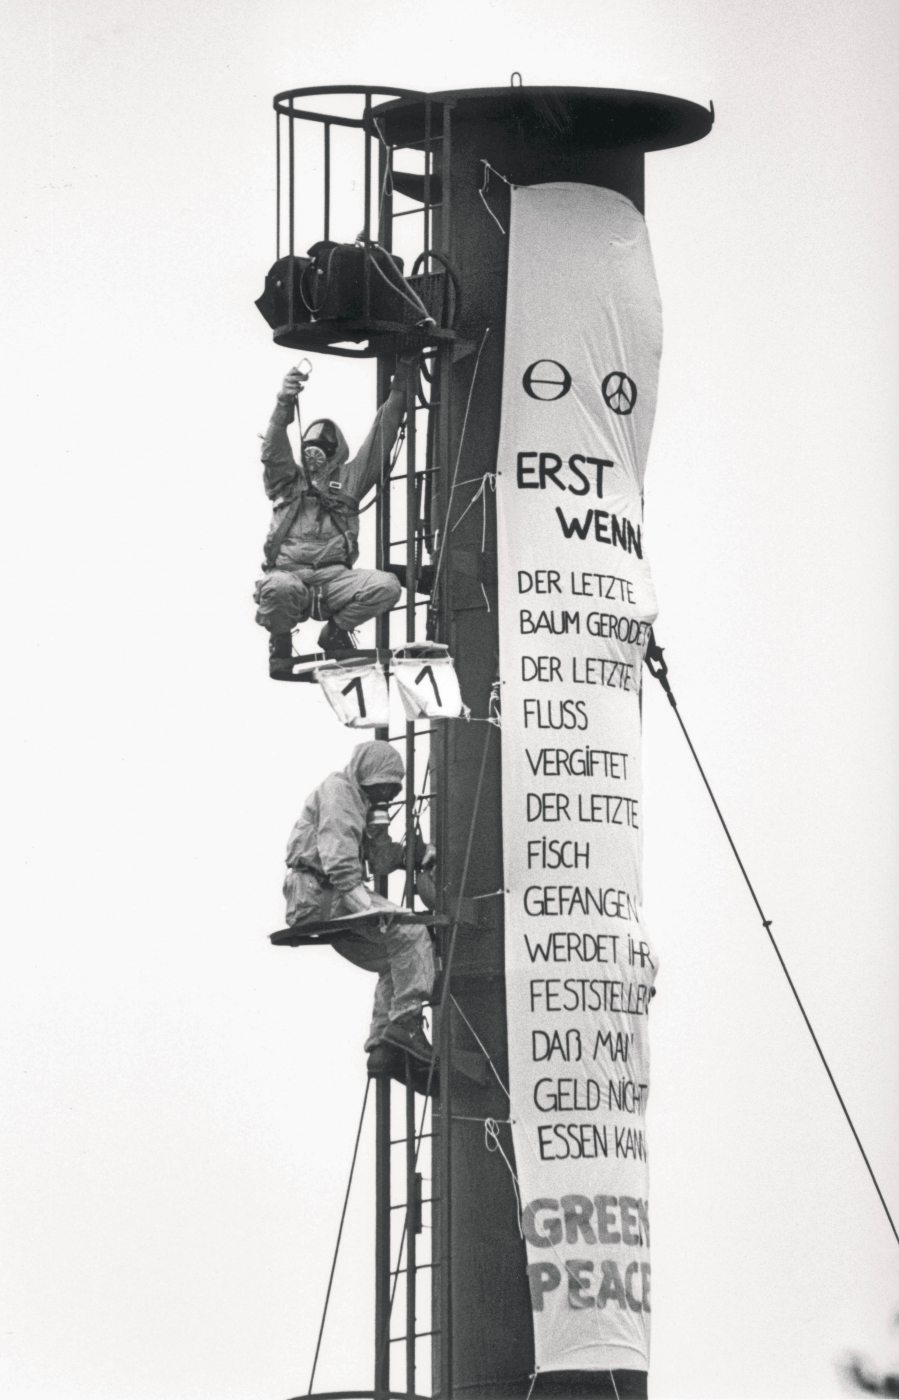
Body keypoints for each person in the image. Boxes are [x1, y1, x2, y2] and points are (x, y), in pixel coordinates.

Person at [254, 356, 418, 673]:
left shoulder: (347, 481)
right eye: (310, 448)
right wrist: (284, 402)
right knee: (278, 589)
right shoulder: (287, 481)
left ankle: (337, 632)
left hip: (335, 580)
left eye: (323, 449)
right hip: (290, 576)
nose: (315, 454)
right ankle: (281, 641)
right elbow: (273, 451)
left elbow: (379, 439)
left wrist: (400, 389)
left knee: (386, 586)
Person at [283, 740, 436, 1063]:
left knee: (395, 959)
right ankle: (406, 1025)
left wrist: (412, 853)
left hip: (321, 893)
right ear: (367, 776)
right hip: (322, 892)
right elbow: (339, 862)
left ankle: (383, 1043)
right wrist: (369, 910)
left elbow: (379, 861)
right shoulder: (340, 792)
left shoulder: (363, 800)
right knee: (412, 932)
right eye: (384, 788)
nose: (388, 796)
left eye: (393, 790)